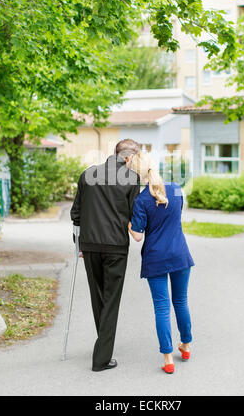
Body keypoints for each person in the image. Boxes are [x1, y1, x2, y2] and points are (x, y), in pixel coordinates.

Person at [71, 139, 140, 372]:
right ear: (129, 158)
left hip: (89, 245)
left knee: (98, 296)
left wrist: (79, 244)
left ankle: (103, 344)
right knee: (111, 301)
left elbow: (76, 214)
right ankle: (101, 359)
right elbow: (134, 215)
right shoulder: (132, 179)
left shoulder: (87, 174)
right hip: (115, 247)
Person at [129, 152, 195, 374]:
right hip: (180, 255)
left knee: (162, 307)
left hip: (156, 258)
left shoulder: (141, 199)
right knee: (181, 301)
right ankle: (186, 345)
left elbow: (137, 236)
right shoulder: (176, 189)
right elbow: (175, 217)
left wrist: (127, 223)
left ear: (138, 173)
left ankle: (168, 358)